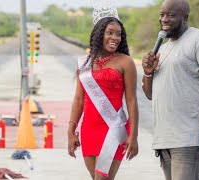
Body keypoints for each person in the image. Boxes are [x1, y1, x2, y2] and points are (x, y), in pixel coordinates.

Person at [141, 0, 199, 179]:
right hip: (165, 140)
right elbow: (150, 94)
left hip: (188, 139)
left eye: (170, 15)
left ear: (185, 18)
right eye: (162, 15)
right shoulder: (163, 47)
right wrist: (148, 73)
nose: (164, 19)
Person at [67, 4, 139, 180]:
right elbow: (78, 99)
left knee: (102, 178)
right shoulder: (85, 63)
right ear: (99, 34)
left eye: (119, 34)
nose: (115, 37)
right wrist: (71, 130)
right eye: (110, 32)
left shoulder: (126, 62)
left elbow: (131, 100)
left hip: (113, 127)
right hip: (89, 129)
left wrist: (133, 135)